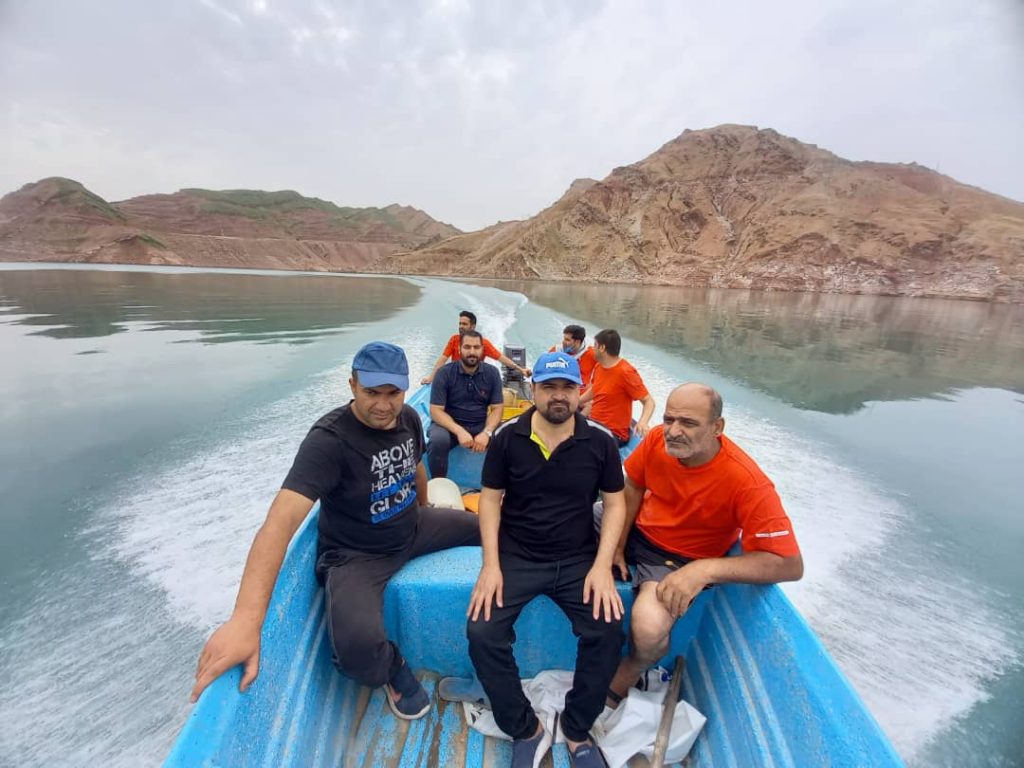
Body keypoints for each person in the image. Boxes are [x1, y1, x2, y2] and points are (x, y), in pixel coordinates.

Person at [190, 341, 480, 721]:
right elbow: (279, 523)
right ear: (352, 385)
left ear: (405, 389)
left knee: (488, 529)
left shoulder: (408, 418)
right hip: (357, 555)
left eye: (393, 393)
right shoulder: (329, 440)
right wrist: (246, 620)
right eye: (371, 393)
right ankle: (392, 666)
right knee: (357, 652)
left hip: (414, 526)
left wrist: (424, 507)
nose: (383, 405)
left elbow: (416, 468)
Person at [459, 350, 627, 768]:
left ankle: (576, 728)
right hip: (518, 555)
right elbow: (490, 500)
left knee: (608, 631)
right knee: (482, 632)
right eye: (549, 387)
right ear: (533, 390)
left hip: (578, 558)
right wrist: (490, 565)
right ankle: (525, 728)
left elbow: (615, 504)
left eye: (567, 387)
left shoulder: (601, 441)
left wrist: (602, 566)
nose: (558, 396)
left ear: (580, 391)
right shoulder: (507, 437)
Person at [605, 383, 804, 705]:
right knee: (554, 522)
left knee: (649, 628)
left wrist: (704, 570)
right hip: (637, 527)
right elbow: (634, 487)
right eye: (668, 419)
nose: (673, 431)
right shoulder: (656, 441)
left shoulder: (747, 482)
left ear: (717, 427)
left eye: (688, 423)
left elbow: (789, 564)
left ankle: (631, 668)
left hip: (676, 560)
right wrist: (617, 543)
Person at [428, 330, 505, 478]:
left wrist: (487, 432)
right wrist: (459, 431)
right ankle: (439, 482)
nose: (472, 352)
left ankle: (500, 484)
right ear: (459, 349)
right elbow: (436, 410)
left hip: (480, 425)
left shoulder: (492, 373)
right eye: (467, 347)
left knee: (508, 436)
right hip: (449, 426)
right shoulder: (444, 373)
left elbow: (497, 409)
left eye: (476, 347)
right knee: (438, 440)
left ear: (482, 349)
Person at [578, 329, 655, 445]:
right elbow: (595, 390)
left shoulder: (626, 372)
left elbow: (649, 402)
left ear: (602, 348)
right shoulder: (599, 366)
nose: (593, 349)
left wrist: (643, 422)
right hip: (594, 424)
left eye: (595, 345)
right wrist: (576, 401)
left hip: (613, 433)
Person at [421, 309, 531, 384]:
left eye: (464, 324)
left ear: (473, 326)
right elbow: (442, 360)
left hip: (474, 379)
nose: (460, 326)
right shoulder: (454, 340)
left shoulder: (483, 344)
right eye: (460, 323)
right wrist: (431, 377)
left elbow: (502, 358)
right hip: (455, 378)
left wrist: (521, 370)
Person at [548, 324, 597, 396]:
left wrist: (593, 385)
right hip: (559, 394)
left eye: (567, 340)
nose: (563, 342)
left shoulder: (592, 354)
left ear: (577, 342)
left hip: (581, 396)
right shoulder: (555, 351)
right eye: (564, 339)